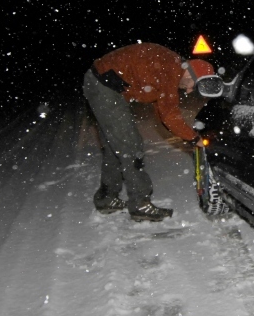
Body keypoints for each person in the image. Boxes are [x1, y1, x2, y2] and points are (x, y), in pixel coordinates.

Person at [82, 42, 215, 221]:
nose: (189, 90)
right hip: (104, 85)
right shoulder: (171, 70)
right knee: (131, 146)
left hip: (101, 82)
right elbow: (169, 114)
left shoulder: (171, 66)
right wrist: (193, 138)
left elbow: (162, 109)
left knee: (115, 146)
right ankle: (140, 204)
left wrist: (183, 133)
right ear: (190, 73)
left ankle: (106, 198)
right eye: (193, 85)